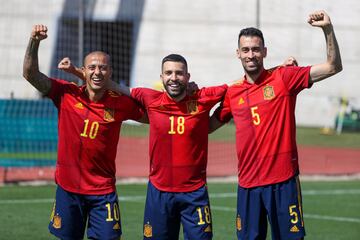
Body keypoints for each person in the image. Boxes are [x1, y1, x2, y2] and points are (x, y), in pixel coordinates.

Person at [213, 10, 342, 240]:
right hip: (248, 186)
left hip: (283, 183)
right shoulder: (233, 93)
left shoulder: (284, 78)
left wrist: (327, 29)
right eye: (245, 50)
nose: (250, 55)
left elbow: (333, 66)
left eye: (255, 49)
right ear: (238, 54)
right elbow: (205, 126)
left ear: (264, 52)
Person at [23, 24, 146, 240]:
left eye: (103, 68)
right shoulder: (66, 93)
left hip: (103, 192)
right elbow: (30, 74)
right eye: (92, 67)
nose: (97, 72)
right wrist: (34, 42)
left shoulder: (121, 104)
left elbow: (153, 114)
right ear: (84, 70)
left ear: (110, 72)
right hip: (68, 190)